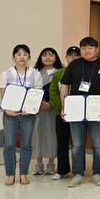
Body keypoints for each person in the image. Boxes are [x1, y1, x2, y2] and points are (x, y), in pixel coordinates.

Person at [60, 37, 100, 188]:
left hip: (96, 110)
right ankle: (78, 174)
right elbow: (64, 86)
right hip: (75, 110)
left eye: (90, 48)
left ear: (96, 49)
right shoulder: (74, 64)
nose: (87, 51)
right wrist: (65, 106)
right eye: (83, 48)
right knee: (77, 144)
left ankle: (97, 173)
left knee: (97, 143)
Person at [0, 44, 43, 185]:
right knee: (9, 144)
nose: (22, 57)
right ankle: (10, 174)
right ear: (14, 56)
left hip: (27, 115)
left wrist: (29, 109)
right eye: (19, 54)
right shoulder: (6, 74)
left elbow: (37, 95)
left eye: (25, 54)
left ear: (29, 56)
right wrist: (7, 110)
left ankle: (23, 173)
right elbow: (3, 95)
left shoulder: (35, 74)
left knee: (26, 144)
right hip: (10, 114)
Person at [48, 46, 80, 180]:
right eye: (70, 55)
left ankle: (79, 170)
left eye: (76, 55)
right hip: (62, 114)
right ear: (66, 57)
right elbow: (53, 92)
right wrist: (61, 108)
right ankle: (62, 170)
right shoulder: (59, 74)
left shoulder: (84, 72)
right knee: (62, 142)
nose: (73, 58)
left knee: (78, 143)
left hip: (79, 114)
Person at [32, 47, 63, 176]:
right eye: (45, 55)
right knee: (37, 135)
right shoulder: (34, 73)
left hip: (54, 110)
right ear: (41, 58)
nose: (48, 57)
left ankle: (51, 163)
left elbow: (63, 90)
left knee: (52, 135)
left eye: (51, 55)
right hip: (38, 109)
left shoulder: (61, 72)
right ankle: (39, 163)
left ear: (56, 58)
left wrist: (51, 104)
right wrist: (40, 104)